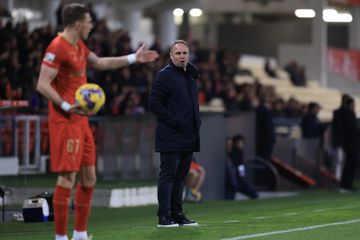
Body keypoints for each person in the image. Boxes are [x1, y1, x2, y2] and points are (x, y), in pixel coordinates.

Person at [36, 4, 158, 240]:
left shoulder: (78, 45)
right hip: (65, 120)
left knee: (89, 177)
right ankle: (60, 237)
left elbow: (101, 63)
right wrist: (64, 105)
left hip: (81, 120)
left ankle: (80, 234)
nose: (92, 26)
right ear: (78, 23)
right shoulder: (57, 46)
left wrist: (134, 57)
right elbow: (42, 83)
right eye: (89, 21)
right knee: (67, 177)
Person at [149, 40, 201, 227]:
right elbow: (154, 104)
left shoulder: (190, 75)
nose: (182, 56)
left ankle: (177, 214)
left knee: (181, 176)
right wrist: (175, 121)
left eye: (185, 53)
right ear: (171, 56)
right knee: (168, 175)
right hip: (171, 134)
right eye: (178, 53)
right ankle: (164, 216)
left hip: (188, 135)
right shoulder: (164, 76)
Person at [225, 135, 258, 200]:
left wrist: (242, 174)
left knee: (253, 193)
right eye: (239, 143)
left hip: (238, 178)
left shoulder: (240, 153)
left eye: (242, 143)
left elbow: (240, 166)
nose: (241, 145)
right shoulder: (231, 153)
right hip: (234, 178)